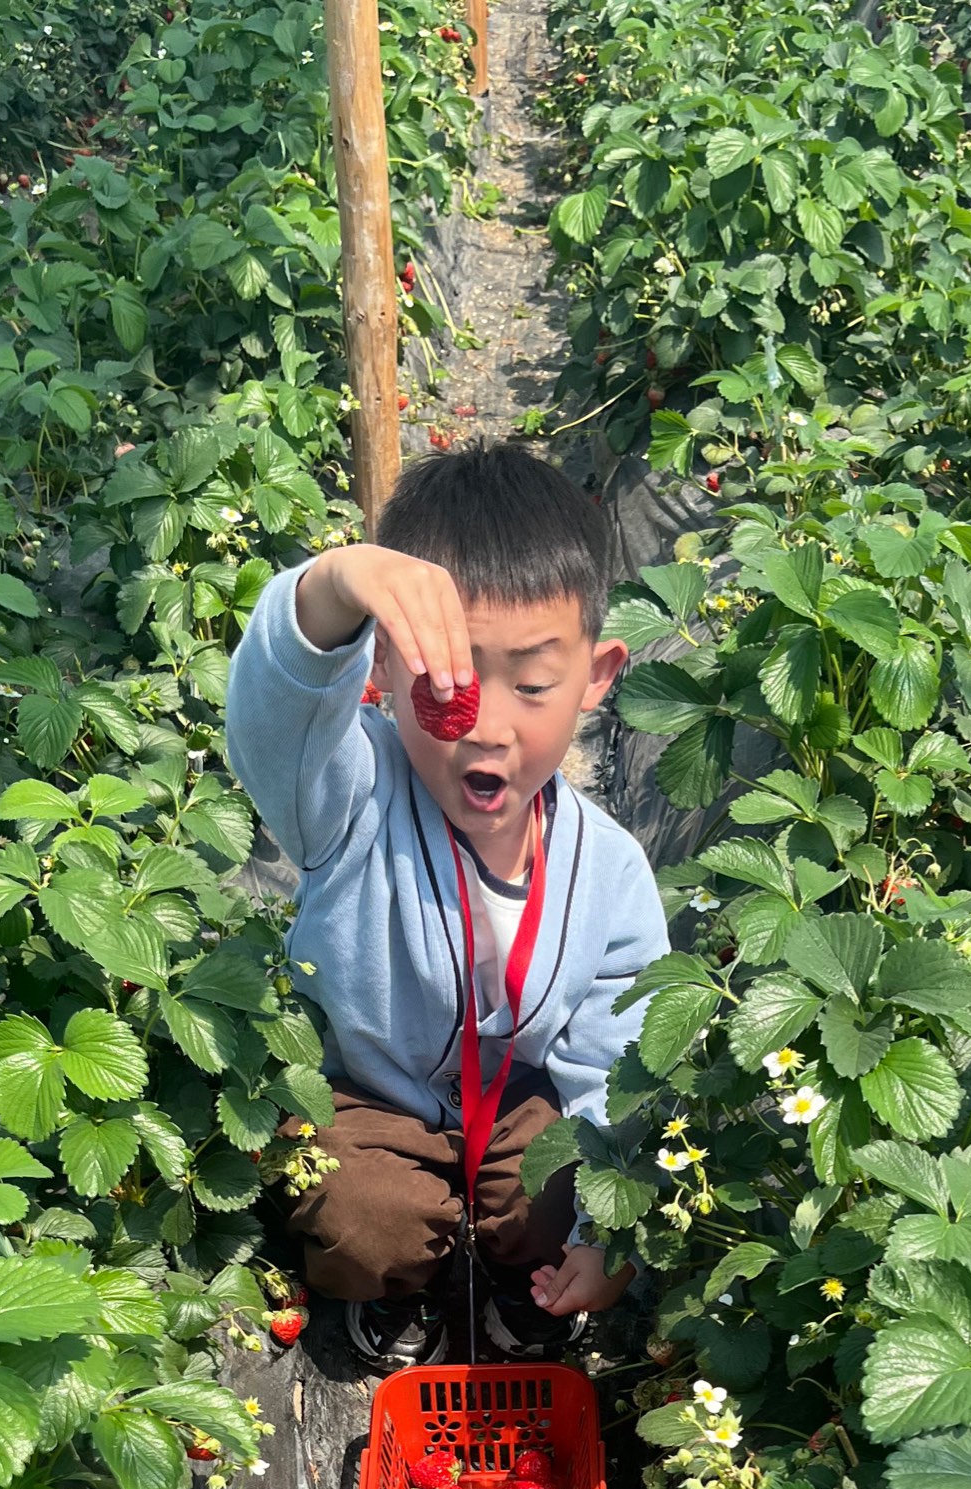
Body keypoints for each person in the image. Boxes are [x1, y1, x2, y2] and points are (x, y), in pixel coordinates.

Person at [224, 439, 668, 1370]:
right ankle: (387, 1296)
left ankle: (528, 1290)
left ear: (597, 677)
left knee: (569, 1183)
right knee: (366, 1218)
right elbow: (275, 717)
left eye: (535, 684)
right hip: (368, 1098)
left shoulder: (609, 869)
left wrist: (603, 1227)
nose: (490, 726)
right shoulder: (350, 797)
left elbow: (616, 1055)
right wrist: (334, 588)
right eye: (448, 682)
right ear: (380, 669)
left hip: (513, 1104)